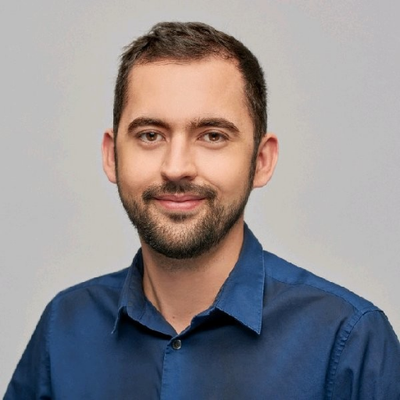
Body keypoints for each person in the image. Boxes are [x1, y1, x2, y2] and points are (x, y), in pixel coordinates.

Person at [5, 21, 400, 400]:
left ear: (261, 161)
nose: (177, 167)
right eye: (150, 135)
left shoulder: (348, 341)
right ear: (112, 156)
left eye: (212, 136)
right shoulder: (64, 327)